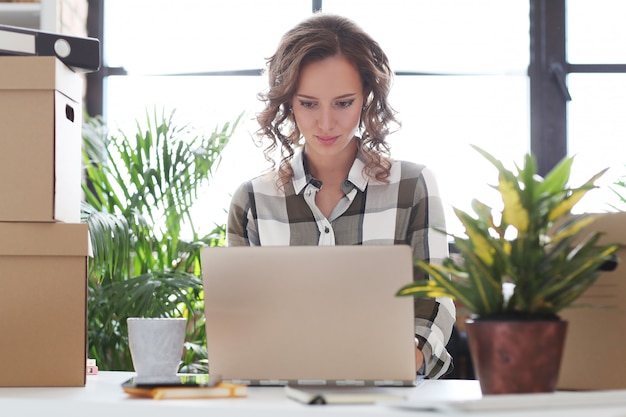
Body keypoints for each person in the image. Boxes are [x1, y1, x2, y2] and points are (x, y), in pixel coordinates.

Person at [227, 12, 455, 379]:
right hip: (281, 396)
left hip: (386, 395)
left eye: (343, 103)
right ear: (288, 102)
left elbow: (435, 297)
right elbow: (239, 315)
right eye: (309, 103)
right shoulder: (253, 199)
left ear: (367, 97)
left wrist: (405, 360)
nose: (327, 123)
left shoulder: (413, 185)